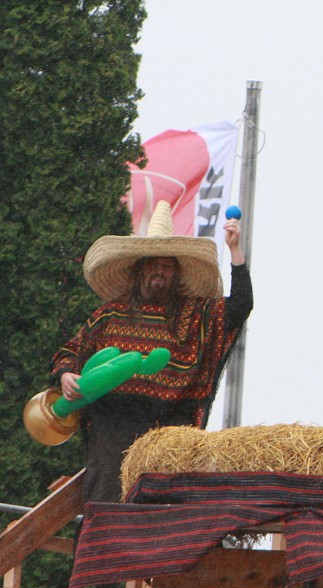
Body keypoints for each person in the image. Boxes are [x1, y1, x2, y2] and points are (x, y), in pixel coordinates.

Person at [51, 200, 252, 505]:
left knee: (160, 505)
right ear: (139, 268)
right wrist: (66, 374)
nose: (160, 270)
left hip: (169, 424)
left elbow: (240, 306)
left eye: (168, 264)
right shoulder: (110, 315)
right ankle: (101, 551)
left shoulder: (195, 315)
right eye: (153, 263)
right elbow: (72, 349)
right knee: (106, 498)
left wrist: (235, 251)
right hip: (111, 423)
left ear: (177, 272)